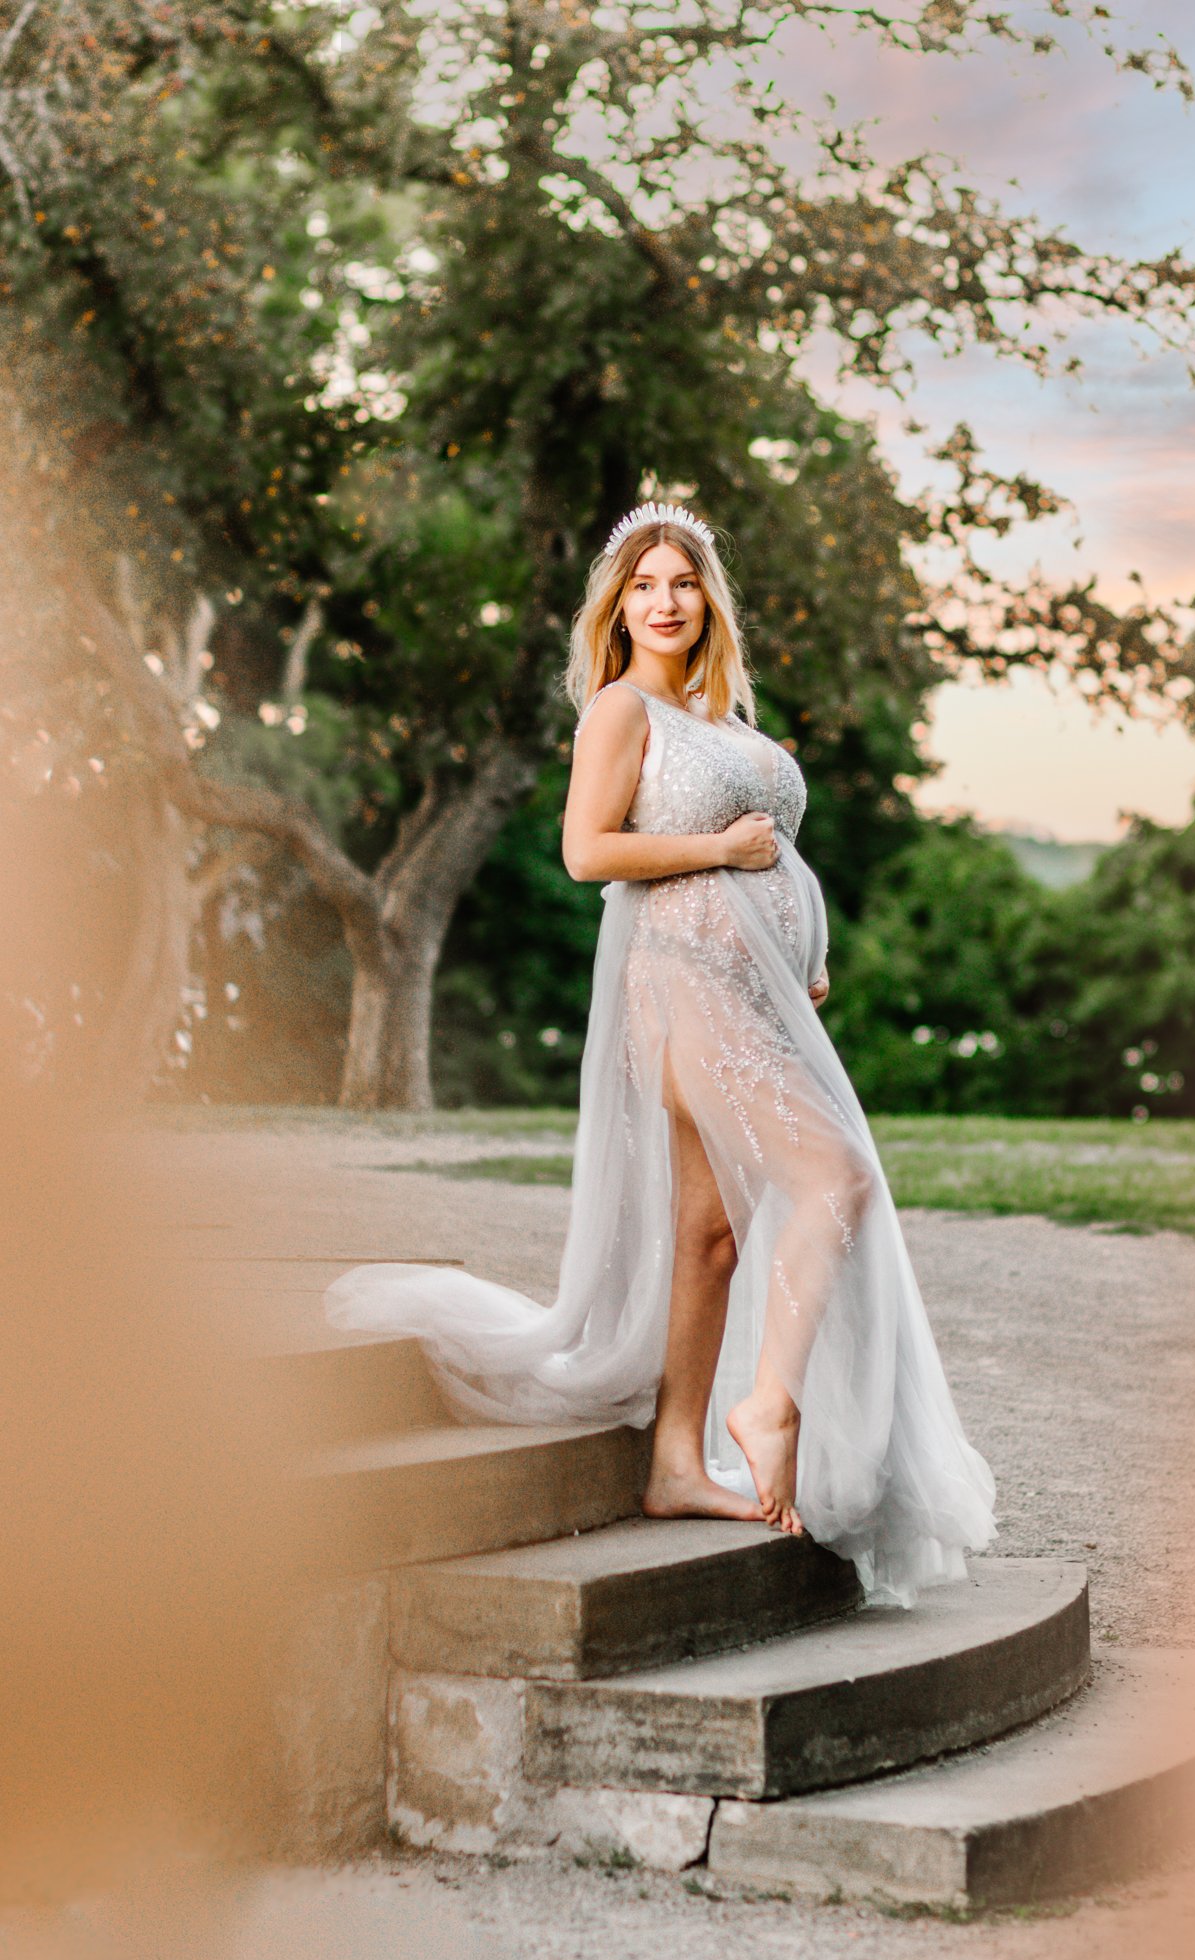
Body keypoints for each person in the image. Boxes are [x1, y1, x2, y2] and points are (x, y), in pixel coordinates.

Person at [326, 502, 996, 1606]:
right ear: (619, 607)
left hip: (759, 993)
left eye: (684, 581)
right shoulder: (619, 711)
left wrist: (807, 940)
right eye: (645, 585)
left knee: (710, 1236)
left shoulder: (724, 718)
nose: (667, 599)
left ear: (708, 599)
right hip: (681, 990)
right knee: (837, 1176)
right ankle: (767, 1402)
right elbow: (589, 849)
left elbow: (777, 853)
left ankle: (677, 1464)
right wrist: (718, 849)